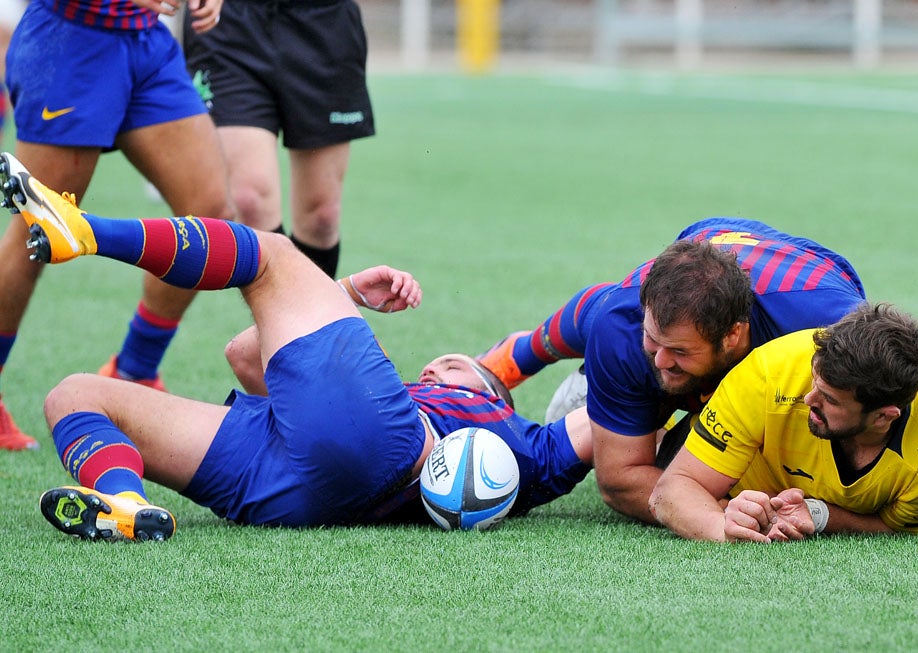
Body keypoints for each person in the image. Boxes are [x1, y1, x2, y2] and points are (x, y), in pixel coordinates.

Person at [0, 153, 591, 541]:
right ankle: (125, 506)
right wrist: (343, 292)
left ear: (487, 393)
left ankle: (87, 232)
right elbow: (244, 356)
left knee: (272, 256)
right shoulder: (530, 461)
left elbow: (599, 424)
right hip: (295, 486)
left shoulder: (523, 439)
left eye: (457, 365)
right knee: (74, 395)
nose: (437, 364)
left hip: (384, 445)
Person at [478, 217, 870, 525]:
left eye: (679, 350)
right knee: (607, 320)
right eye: (655, 341)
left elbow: (916, 370)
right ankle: (514, 356)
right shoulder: (625, 326)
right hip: (701, 247)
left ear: (734, 335)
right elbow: (620, 483)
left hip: (790, 265)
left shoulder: (825, 326)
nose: (662, 359)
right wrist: (723, 512)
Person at [0, 0, 232, 451]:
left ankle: (135, 369)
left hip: (147, 43)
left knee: (209, 217)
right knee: (39, 228)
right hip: (72, 38)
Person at [647, 303, 918, 542]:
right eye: (814, 382)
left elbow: (893, 527)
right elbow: (672, 490)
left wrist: (821, 515)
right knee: (648, 458)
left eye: (831, 399)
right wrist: (722, 525)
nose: (809, 398)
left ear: (884, 417)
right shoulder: (769, 374)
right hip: (732, 465)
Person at [182, 0, 375, 279]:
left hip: (324, 23)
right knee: (249, 200)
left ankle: (306, 318)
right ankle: (288, 319)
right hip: (229, 26)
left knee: (322, 216)